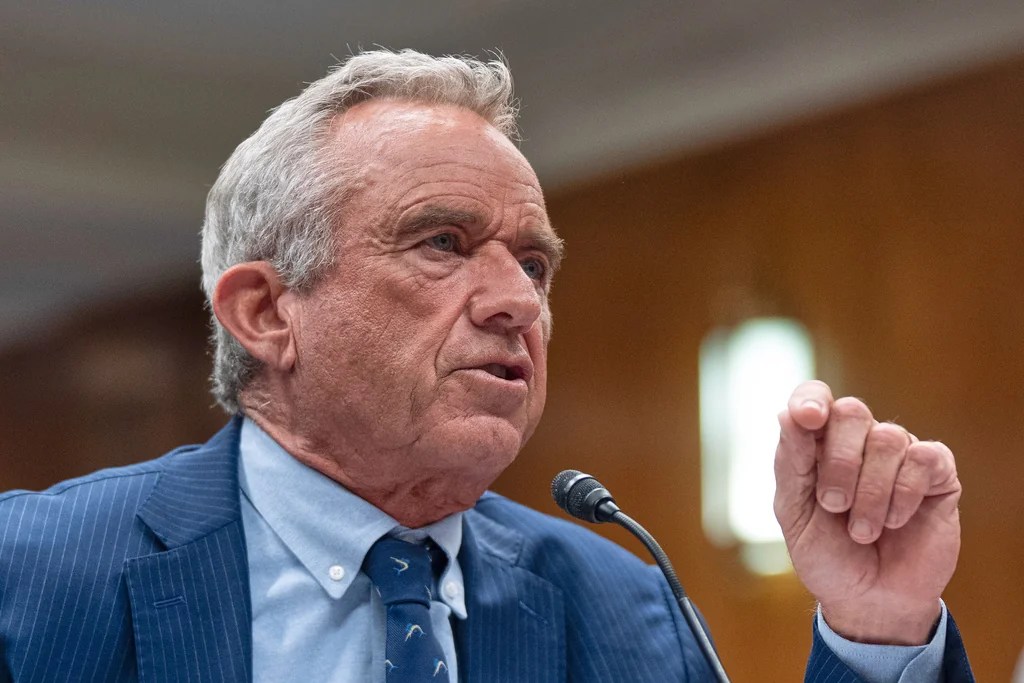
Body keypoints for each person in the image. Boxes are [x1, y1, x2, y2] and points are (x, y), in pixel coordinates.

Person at [0, 49, 972, 682]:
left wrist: (874, 629)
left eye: (534, 262)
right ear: (265, 311)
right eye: (442, 242)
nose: (518, 301)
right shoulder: (34, 575)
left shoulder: (622, 605)